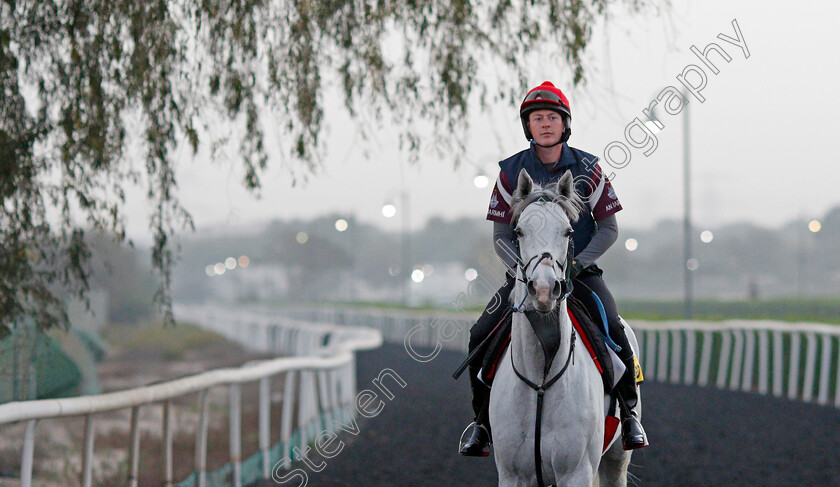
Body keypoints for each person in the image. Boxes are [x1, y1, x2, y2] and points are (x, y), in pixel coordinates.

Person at [458, 81, 648, 457]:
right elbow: (500, 236)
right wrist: (522, 272)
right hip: (525, 276)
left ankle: (629, 414)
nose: (545, 124)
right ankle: (481, 423)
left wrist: (577, 264)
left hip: (579, 272)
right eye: (537, 118)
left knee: (613, 326)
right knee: (480, 333)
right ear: (528, 126)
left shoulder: (590, 169)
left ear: (565, 124)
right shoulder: (509, 173)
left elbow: (609, 228)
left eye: (552, 117)